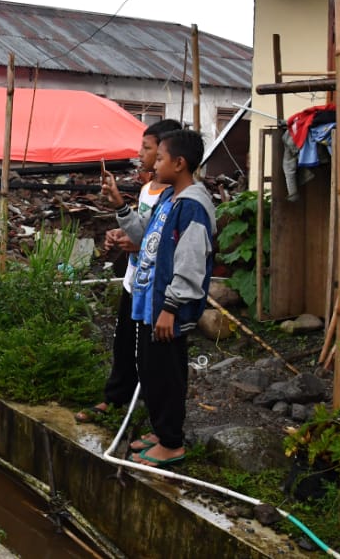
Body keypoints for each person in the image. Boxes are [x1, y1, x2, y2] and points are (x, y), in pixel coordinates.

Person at [115, 129, 215, 469]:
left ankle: (172, 443)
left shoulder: (192, 207)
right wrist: (121, 208)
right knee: (151, 369)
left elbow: (190, 263)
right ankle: (161, 431)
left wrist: (171, 307)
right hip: (151, 305)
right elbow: (144, 236)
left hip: (168, 309)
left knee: (167, 374)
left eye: (160, 158)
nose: (154, 164)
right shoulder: (169, 198)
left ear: (179, 163)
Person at [78, 118, 181, 425]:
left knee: (152, 354)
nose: (141, 154)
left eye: (148, 149)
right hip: (133, 280)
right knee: (123, 342)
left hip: (154, 287)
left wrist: (138, 243)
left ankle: (153, 415)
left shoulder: (178, 198)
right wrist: (121, 230)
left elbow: (165, 241)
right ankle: (116, 398)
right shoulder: (149, 188)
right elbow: (142, 228)